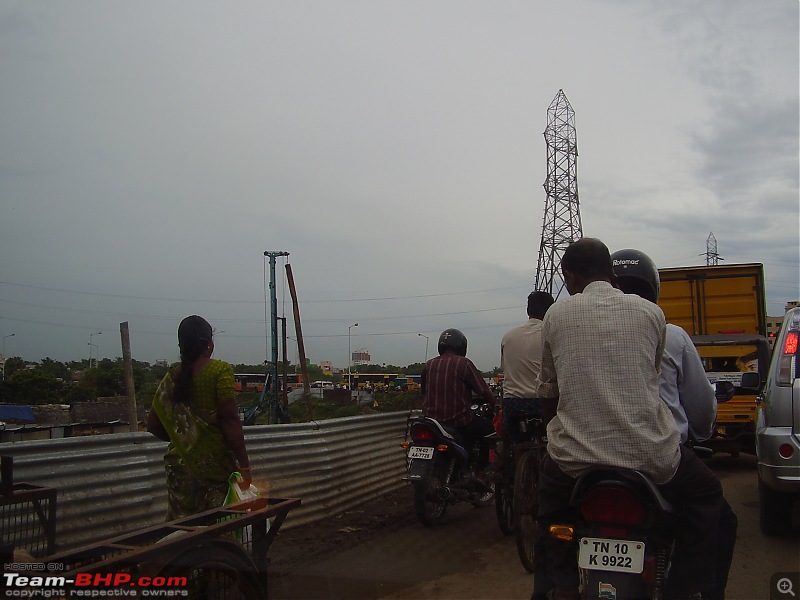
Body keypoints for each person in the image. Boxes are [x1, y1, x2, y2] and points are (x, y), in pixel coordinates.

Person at [533, 238, 731, 600]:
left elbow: (548, 391)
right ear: (610, 273)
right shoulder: (652, 314)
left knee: (548, 510)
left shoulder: (556, 315)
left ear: (570, 277)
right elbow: (650, 380)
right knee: (707, 494)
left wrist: (555, 438)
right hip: (651, 456)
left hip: (575, 459)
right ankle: (683, 589)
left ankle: (560, 586)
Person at [611, 248, 737, 600]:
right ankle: (687, 590)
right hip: (661, 457)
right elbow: (699, 405)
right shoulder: (672, 335)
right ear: (652, 290)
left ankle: (556, 585)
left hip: (597, 455)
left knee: (552, 516)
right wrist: (700, 433)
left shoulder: (591, 336)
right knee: (717, 514)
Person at [147, 315, 251, 520]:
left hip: (178, 468)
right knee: (215, 528)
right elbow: (230, 419)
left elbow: (153, 424)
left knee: (182, 529)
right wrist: (245, 466)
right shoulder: (219, 370)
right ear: (209, 343)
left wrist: (184, 439)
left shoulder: (171, 377)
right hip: (215, 469)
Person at [421, 328, 497, 482]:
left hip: (432, 423)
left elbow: (424, 392)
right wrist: (495, 404)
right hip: (458, 422)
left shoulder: (428, 365)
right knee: (488, 429)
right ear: (461, 346)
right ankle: (481, 472)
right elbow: (483, 390)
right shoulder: (464, 364)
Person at [500, 291, 555, 444]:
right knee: (554, 443)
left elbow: (505, 369)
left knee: (517, 444)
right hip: (543, 404)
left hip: (513, 404)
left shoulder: (508, 336)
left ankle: (518, 464)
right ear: (551, 310)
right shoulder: (550, 333)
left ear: (527, 310)